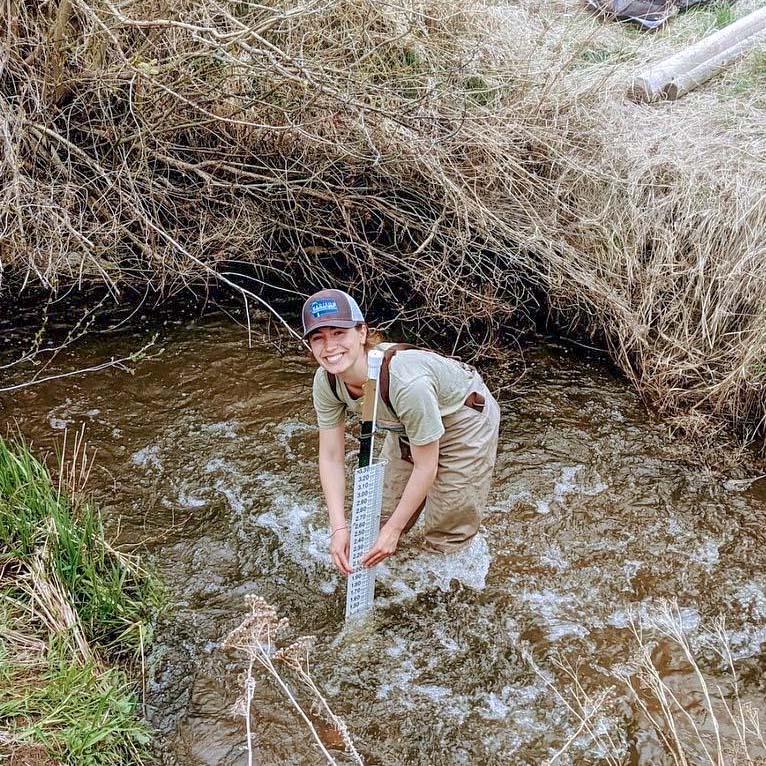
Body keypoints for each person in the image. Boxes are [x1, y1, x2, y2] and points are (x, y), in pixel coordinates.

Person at [303, 288, 501, 574]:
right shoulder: (327, 382)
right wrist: (338, 528)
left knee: (445, 530)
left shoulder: (406, 382)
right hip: (406, 423)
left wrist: (395, 531)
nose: (329, 347)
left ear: (361, 333)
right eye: (318, 338)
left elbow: (426, 465)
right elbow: (331, 457)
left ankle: (446, 590)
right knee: (375, 521)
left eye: (338, 333)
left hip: (463, 419)